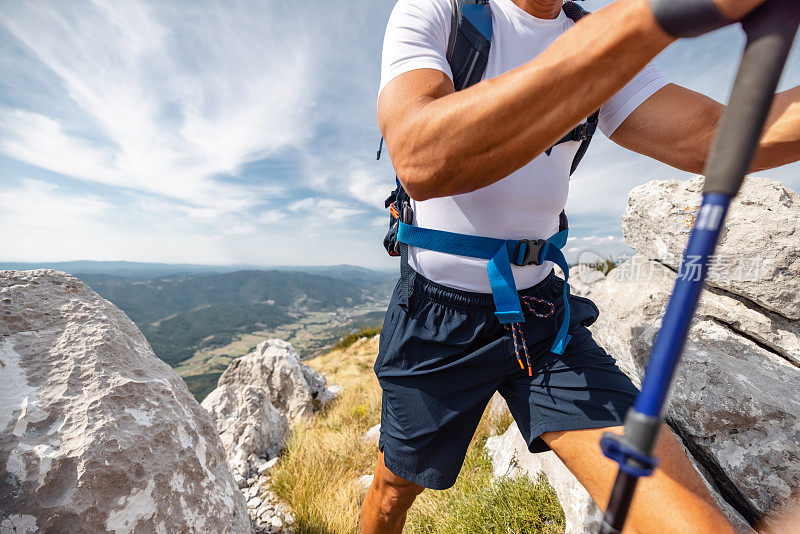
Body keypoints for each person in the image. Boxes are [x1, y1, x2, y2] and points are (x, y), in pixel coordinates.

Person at [363, 0, 800, 532]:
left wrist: (621, 35)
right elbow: (421, 157)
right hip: (438, 319)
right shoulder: (440, 10)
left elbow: (709, 133)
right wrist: (642, 20)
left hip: (544, 317)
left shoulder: (595, 35)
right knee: (393, 489)